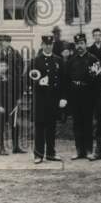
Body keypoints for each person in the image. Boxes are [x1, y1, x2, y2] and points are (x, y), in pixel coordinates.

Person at [62, 32, 98, 160]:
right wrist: (67, 97)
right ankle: (79, 150)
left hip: (88, 96)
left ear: (86, 44)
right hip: (75, 97)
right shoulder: (71, 61)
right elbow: (66, 80)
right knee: (77, 124)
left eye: (81, 43)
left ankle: (88, 150)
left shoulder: (93, 59)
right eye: (77, 44)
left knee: (88, 124)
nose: (79, 46)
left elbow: (97, 79)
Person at [29, 34, 64, 163]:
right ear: (42, 45)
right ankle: (38, 155)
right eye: (46, 44)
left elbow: (63, 80)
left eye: (50, 44)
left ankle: (51, 153)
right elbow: (27, 79)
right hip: (40, 100)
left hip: (53, 99)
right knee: (39, 127)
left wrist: (63, 98)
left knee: (51, 127)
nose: (48, 46)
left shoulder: (58, 60)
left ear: (52, 45)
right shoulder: (35, 61)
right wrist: (38, 83)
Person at [0, 59, 24, 156]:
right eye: (1, 66)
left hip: (11, 107)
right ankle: (2, 148)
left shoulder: (10, 77)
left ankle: (16, 147)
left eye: (5, 66)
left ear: (7, 67)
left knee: (15, 126)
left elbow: (15, 90)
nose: (3, 68)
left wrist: (18, 99)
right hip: (1, 108)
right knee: (0, 128)